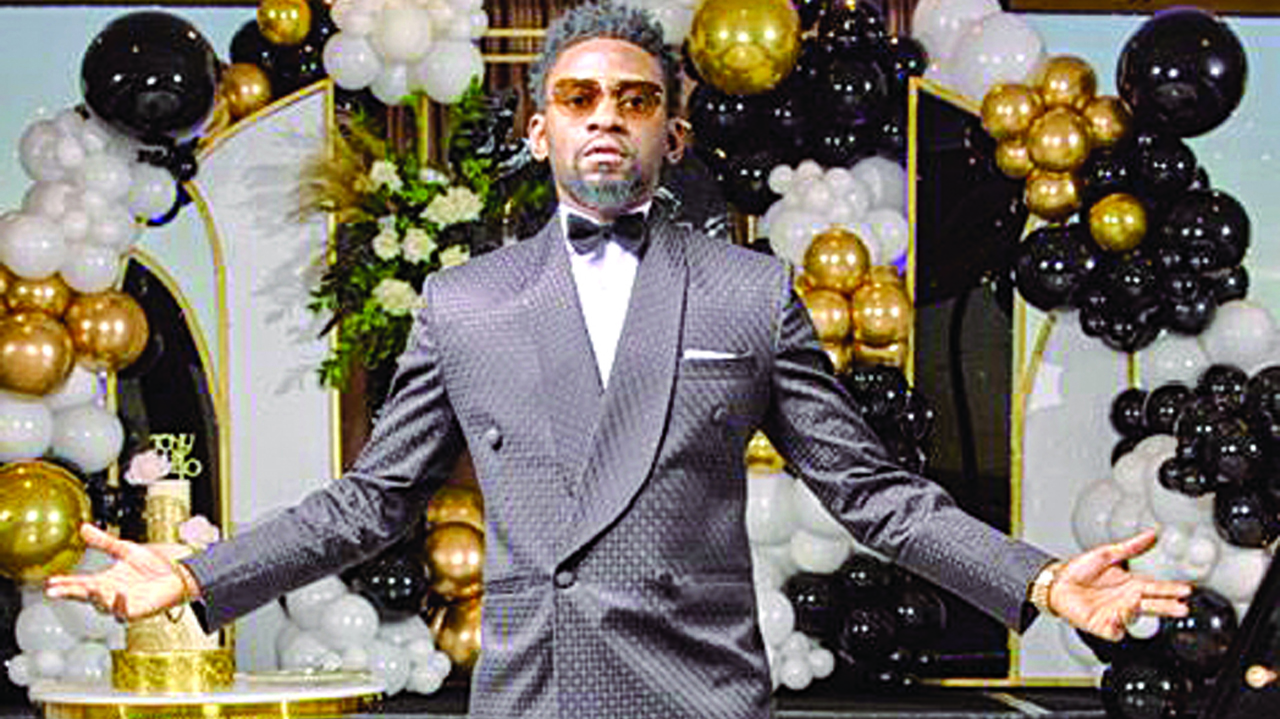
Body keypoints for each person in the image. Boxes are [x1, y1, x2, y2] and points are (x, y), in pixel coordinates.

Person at [48, 3, 1191, 717]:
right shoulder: (464, 302)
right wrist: (196, 578)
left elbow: (872, 493)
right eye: (579, 98)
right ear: (538, 129)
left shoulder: (748, 292)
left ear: (670, 135)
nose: (606, 117)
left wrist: (1038, 580)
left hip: (700, 694)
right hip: (535, 697)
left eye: (634, 101)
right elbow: (370, 500)